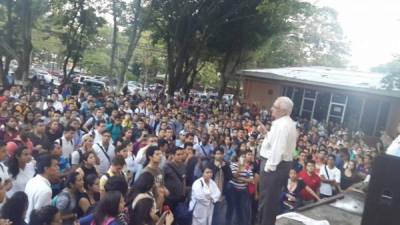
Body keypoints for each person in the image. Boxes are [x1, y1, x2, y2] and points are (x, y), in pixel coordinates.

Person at [258, 96, 297, 225]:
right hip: (278, 166)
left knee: (267, 204)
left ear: (283, 111)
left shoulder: (282, 125)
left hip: (274, 167)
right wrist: (266, 133)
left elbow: (278, 150)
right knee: (268, 203)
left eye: (275, 107)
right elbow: (276, 143)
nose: (271, 109)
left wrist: (269, 168)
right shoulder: (287, 123)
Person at [25, 154, 60, 223]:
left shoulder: (32, 180)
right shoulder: (46, 191)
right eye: (55, 165)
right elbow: (41, 217)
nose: (58, 168)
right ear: (46, 168)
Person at [226, 150, 254, 225]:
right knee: (233, 208)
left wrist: (241, 179)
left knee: (241, 209)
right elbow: (234, 176)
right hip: (233, 189)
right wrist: (240, 167)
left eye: (244, 157)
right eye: (242, 157)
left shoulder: (248, 167)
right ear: (238, 158)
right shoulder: (233, 165)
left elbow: (251, 180)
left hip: (243, 191)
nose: (244, 158)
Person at [207, 148, 232, 225]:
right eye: (217, 153)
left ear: (223, 155)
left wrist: (224, 167)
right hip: (210, 195)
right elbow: (208, 176)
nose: (219, 155)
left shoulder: (226, 165)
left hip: (222, 194)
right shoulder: (210, 164)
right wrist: (217, 167)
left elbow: (230, 177)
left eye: (220, 153)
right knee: (210, 216)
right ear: (214, 155)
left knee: (220, 216)